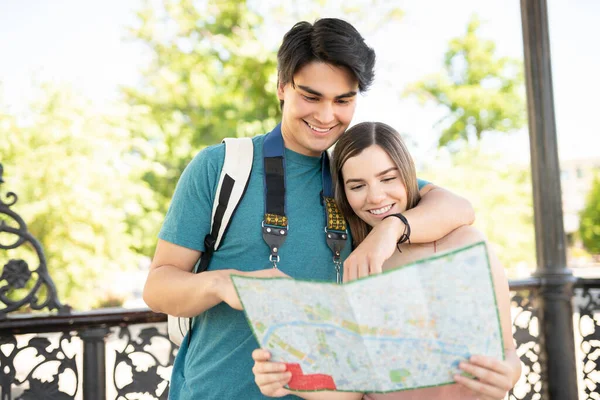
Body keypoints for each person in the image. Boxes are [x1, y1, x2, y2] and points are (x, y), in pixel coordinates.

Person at [143, 18, 475, 400]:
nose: (326, 115)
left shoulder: (356, 180)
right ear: (282, 87)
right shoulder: (221, 167)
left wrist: (389, 230)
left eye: (343, 101)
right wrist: (225, 282)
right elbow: (158, 287)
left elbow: (457, 208)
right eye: (312, 97)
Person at [251, 122, 522, 400]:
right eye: (357, 186)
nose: (376, 196)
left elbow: (509, 354)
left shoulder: (464, 245)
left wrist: (507, 375)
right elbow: (354, 389)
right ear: (344, 193)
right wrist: (290, 378)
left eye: (388, 179)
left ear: (407, 174)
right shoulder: (354, 262)